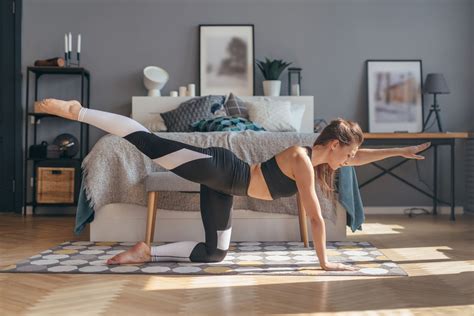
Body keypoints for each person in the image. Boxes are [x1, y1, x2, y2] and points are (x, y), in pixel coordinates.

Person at [35, 98, 430, 271]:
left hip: (226, 186)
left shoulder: (321, 159)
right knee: (147, 141)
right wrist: (325, 261)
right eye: (348, 153)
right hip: (222, 170)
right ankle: (79, 111)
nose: (350, 161)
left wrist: (398, 150)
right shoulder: (302, 158)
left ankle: (146, 251)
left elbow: (358, 156)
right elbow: (315, 216)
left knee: (214, 254)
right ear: (334, 144)